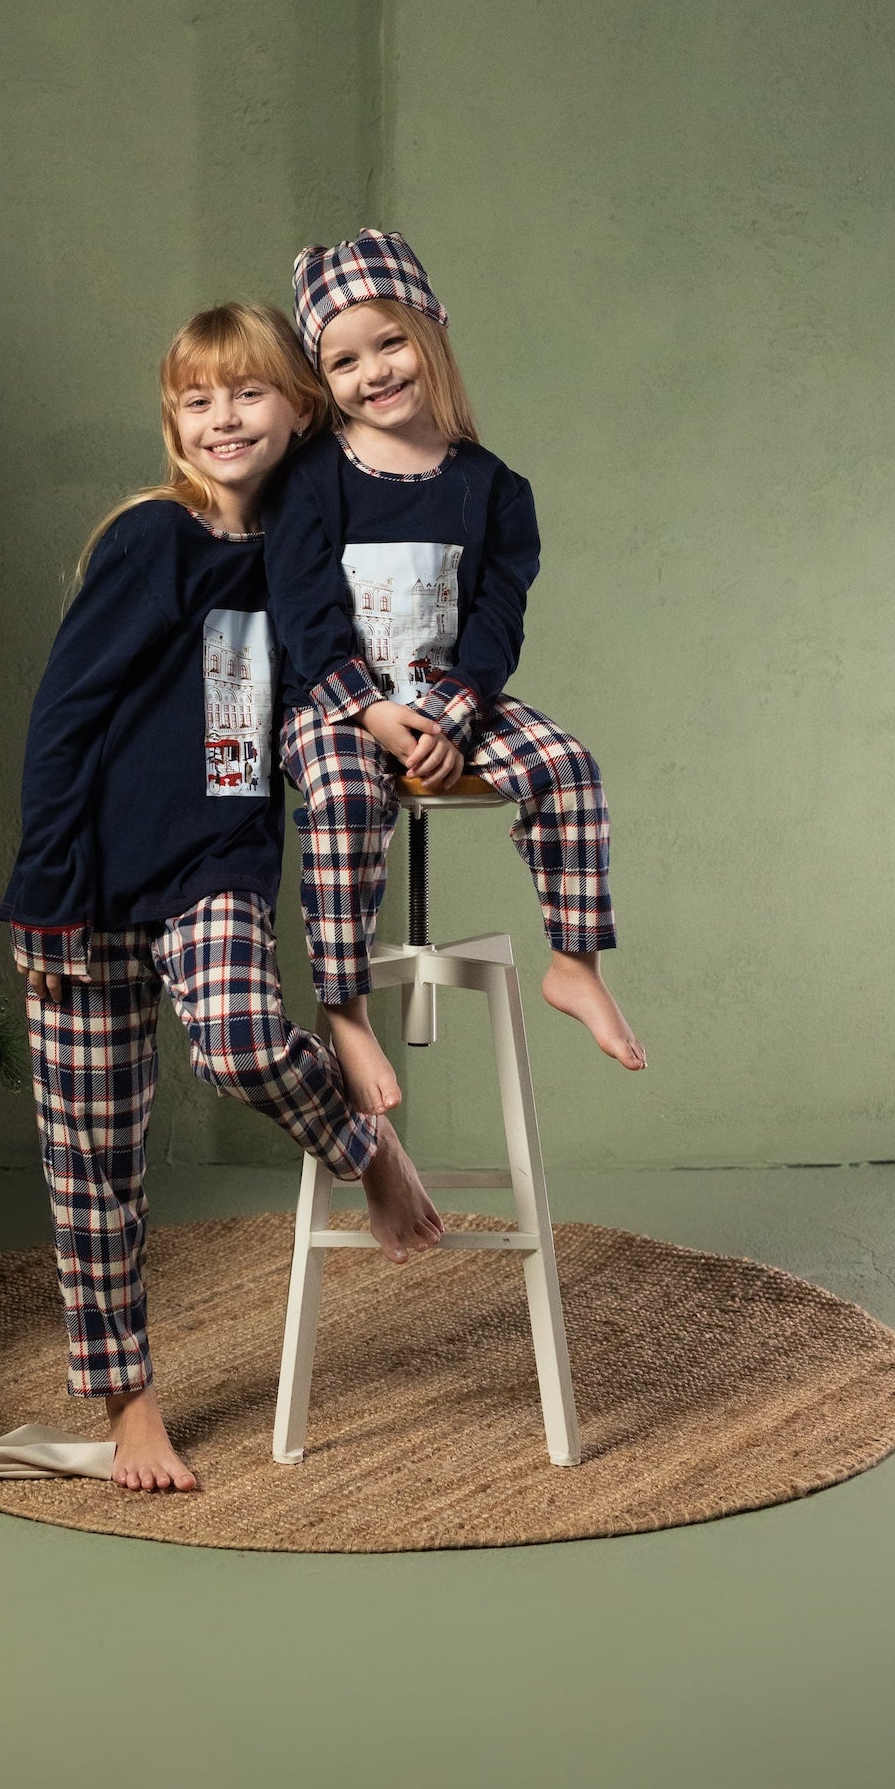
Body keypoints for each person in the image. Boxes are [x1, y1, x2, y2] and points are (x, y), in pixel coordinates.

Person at [0, 301, 447, 1495]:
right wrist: (43, 891)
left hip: (216, 865)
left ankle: (364, 1147)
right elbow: (62, 721)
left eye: (247, 392)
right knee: (90, 1155)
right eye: (195, 399)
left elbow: (344, 678)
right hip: (89, 884)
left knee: (244, 1039)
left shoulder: (306, 561)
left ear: (299, 407)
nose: (222, 418)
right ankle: (129, 1403)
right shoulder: (152, 537)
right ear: (171, 420)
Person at [271, 229, 646, 1123]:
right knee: (347, 798)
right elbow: (303, 612)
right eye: (344, 361)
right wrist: (370, 713)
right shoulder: (311, 481)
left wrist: (450, 712)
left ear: (433, 332)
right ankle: (346, 1009)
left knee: (569, 765)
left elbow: (497, 619)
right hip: (335, 706)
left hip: (454, 700)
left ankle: (575, 965)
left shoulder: (493, 488)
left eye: (390, 342)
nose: (374, 371)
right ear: (324, 379)